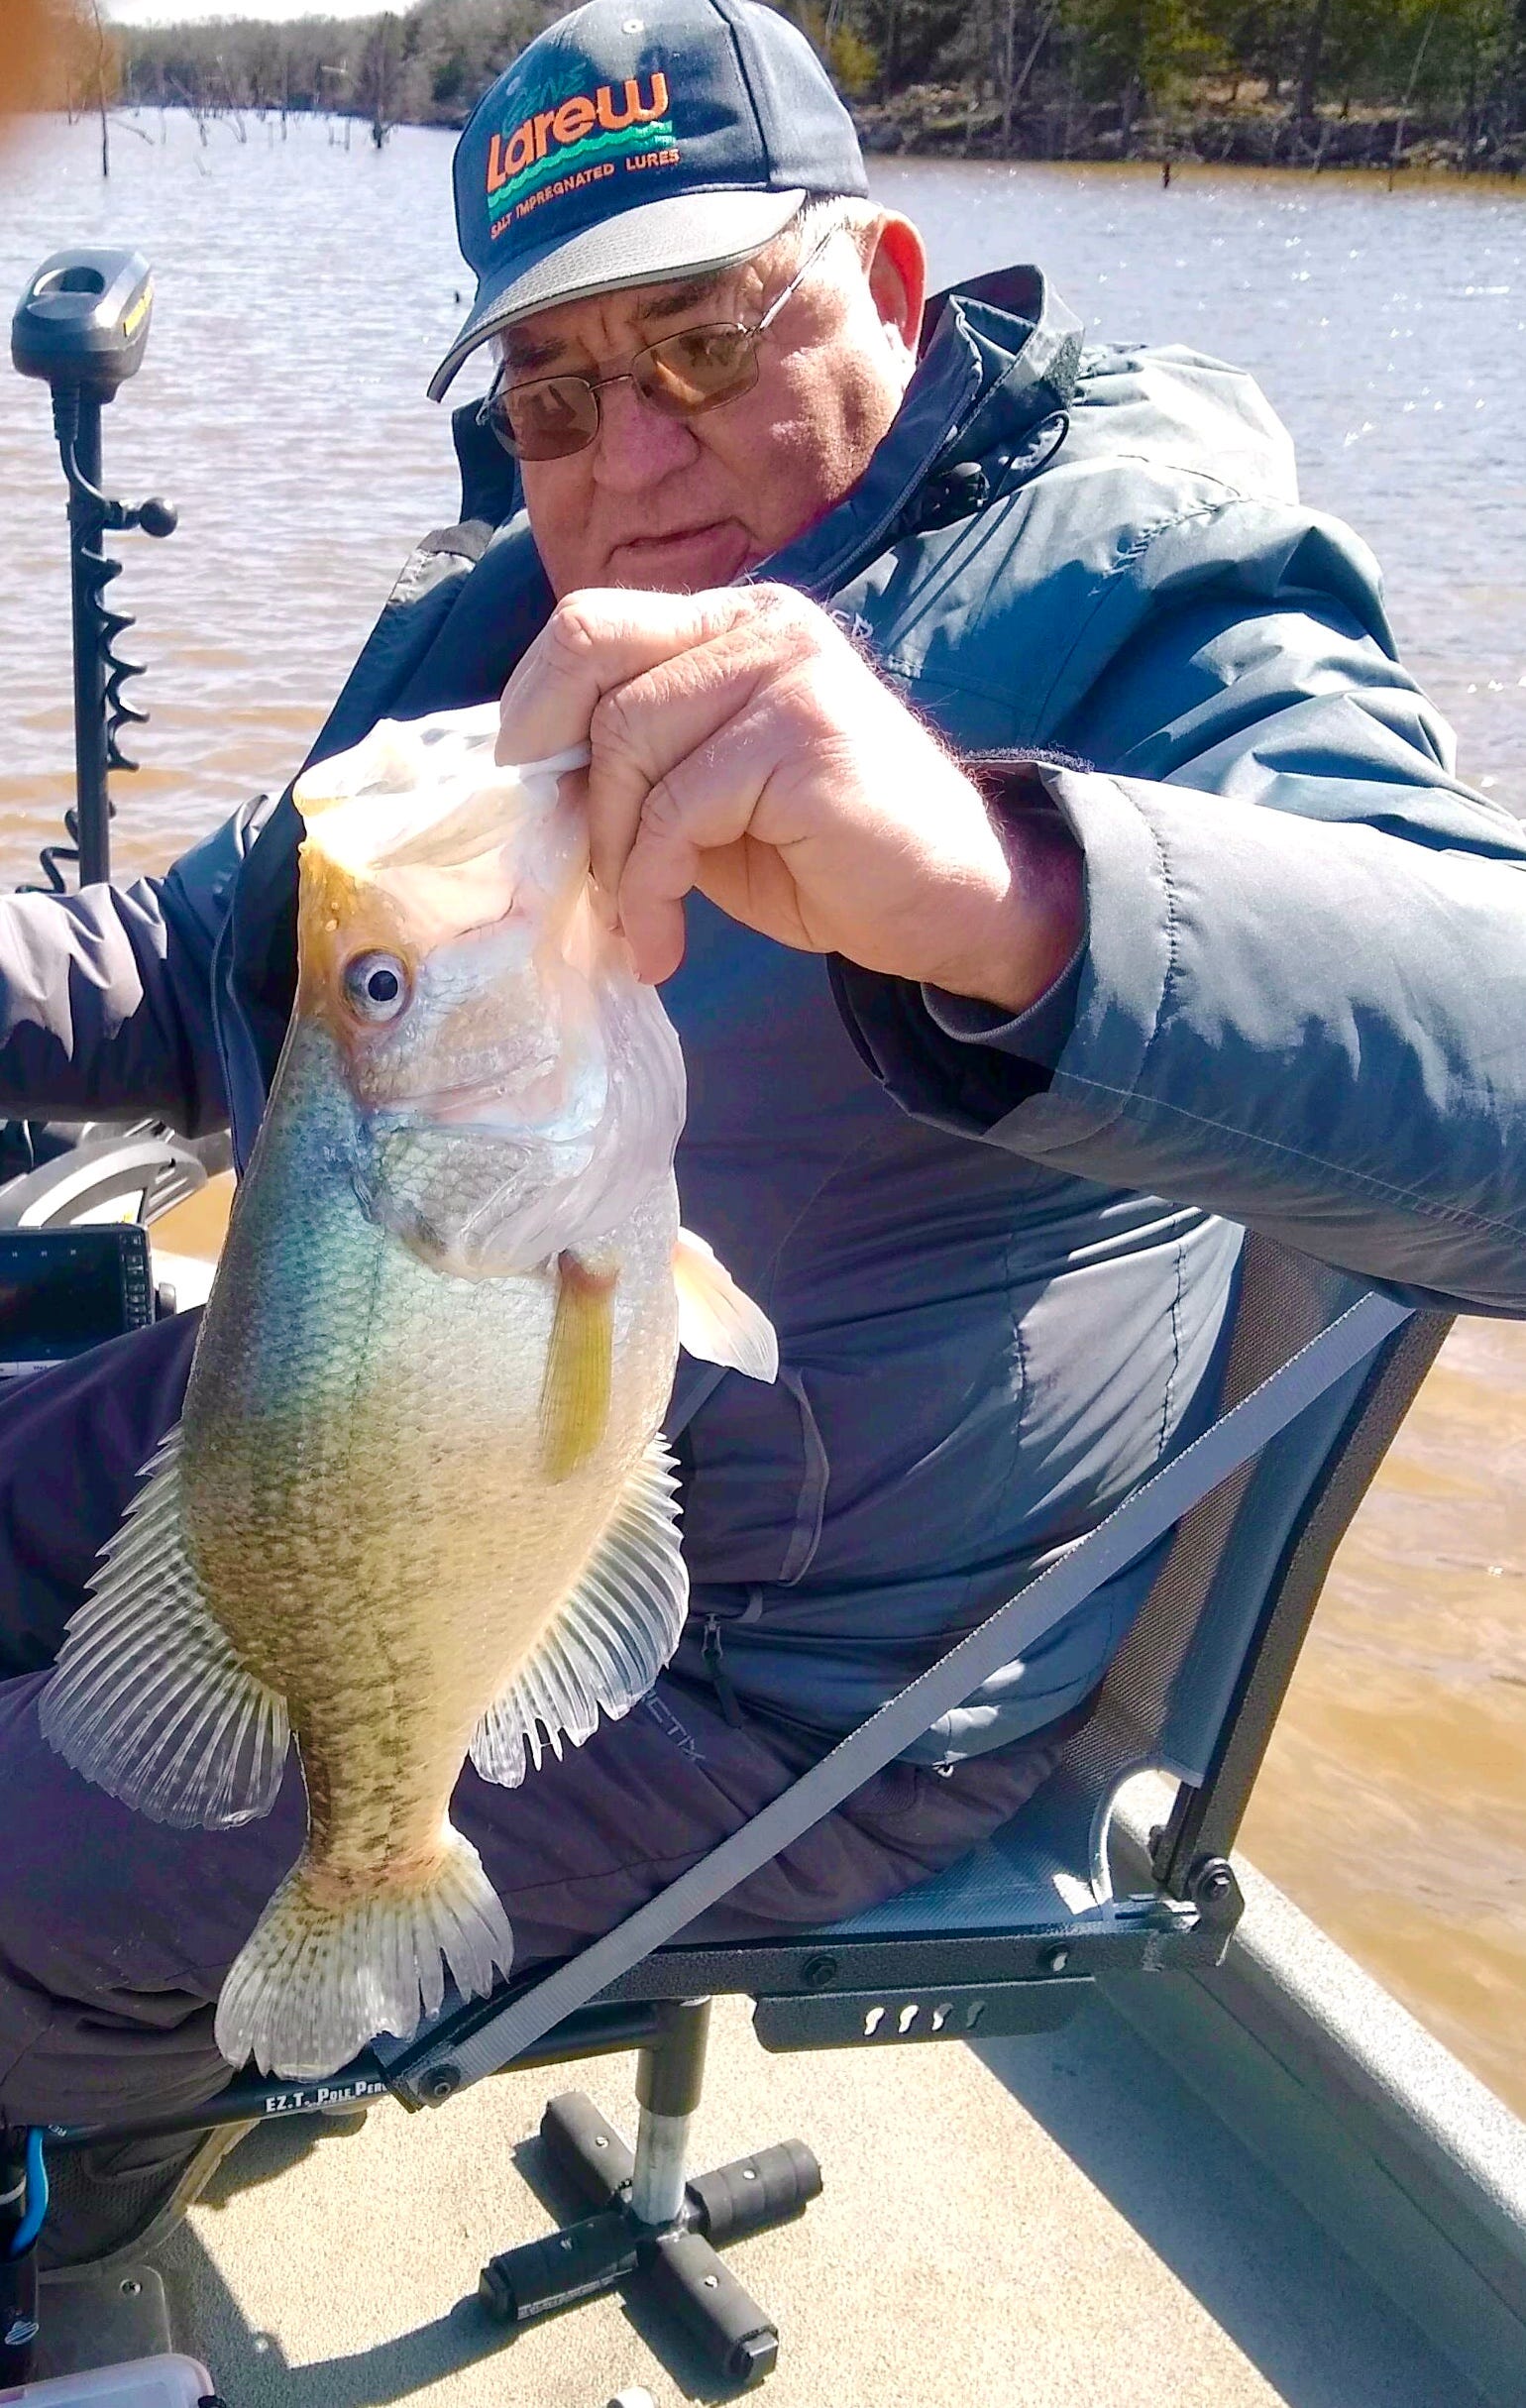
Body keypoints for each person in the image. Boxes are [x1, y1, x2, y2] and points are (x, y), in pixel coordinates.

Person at [2, 0, 1524, 2265]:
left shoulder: (1156, 580)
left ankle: (80, 2170)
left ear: (890, 288)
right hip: (398, 1396)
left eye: (710, 331)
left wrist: (1004, 889)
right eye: (550, 391)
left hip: (804, 1657)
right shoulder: (517, 620)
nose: (632, 449)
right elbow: (208, 958)